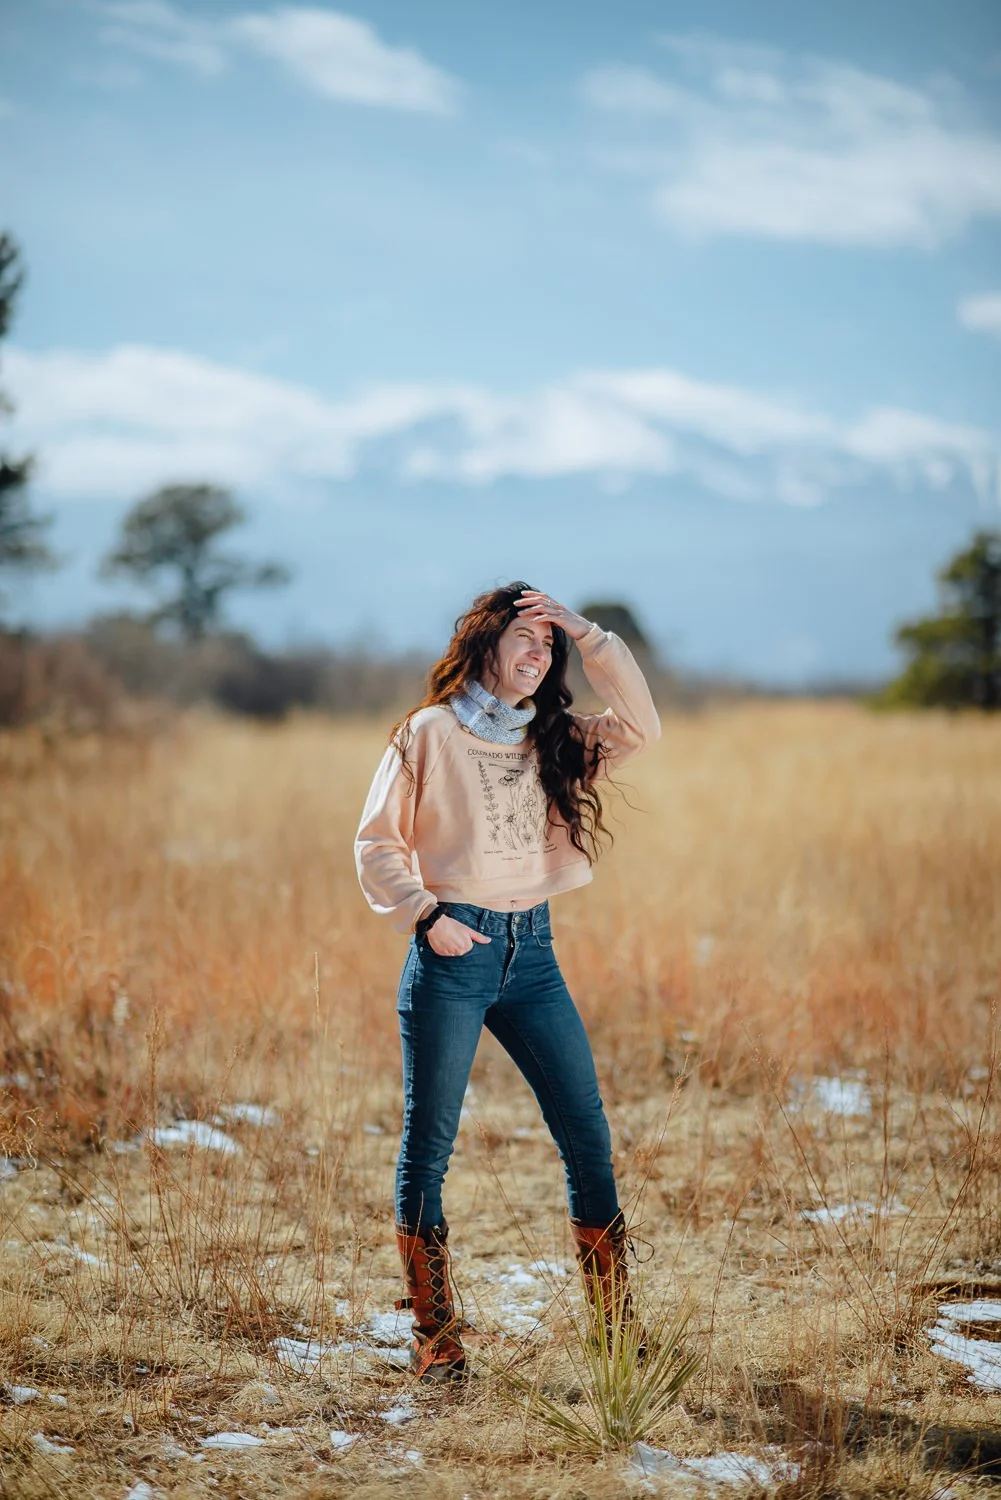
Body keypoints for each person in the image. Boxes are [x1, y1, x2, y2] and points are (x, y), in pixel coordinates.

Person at [354, 582, 661, 1382]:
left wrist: (589, 633)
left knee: (586, 1137)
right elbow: (376, 842)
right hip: (456, 951)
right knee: (429, 1146)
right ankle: (436, 1337)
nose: (539, 655)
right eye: (526, 638)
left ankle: (613, 1329)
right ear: (484, 642)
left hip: (534, 956)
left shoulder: (554, 736)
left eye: (549, 647)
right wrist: (426, 916)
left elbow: (641, 725)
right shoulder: (427, 732)